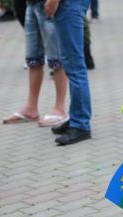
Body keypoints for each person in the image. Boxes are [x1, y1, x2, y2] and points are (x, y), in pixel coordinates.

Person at [3, 0, 68, 127]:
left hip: (48, 4)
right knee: (33, 58)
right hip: (31, 5)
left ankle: (60, 109)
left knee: (57, 59)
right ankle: (31, 108)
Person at [44, 0, 92, 146]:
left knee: (74, 64)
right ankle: (77, 117)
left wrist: (53, 1)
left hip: (69, 4)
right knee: (72, 63)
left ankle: (81, 124)